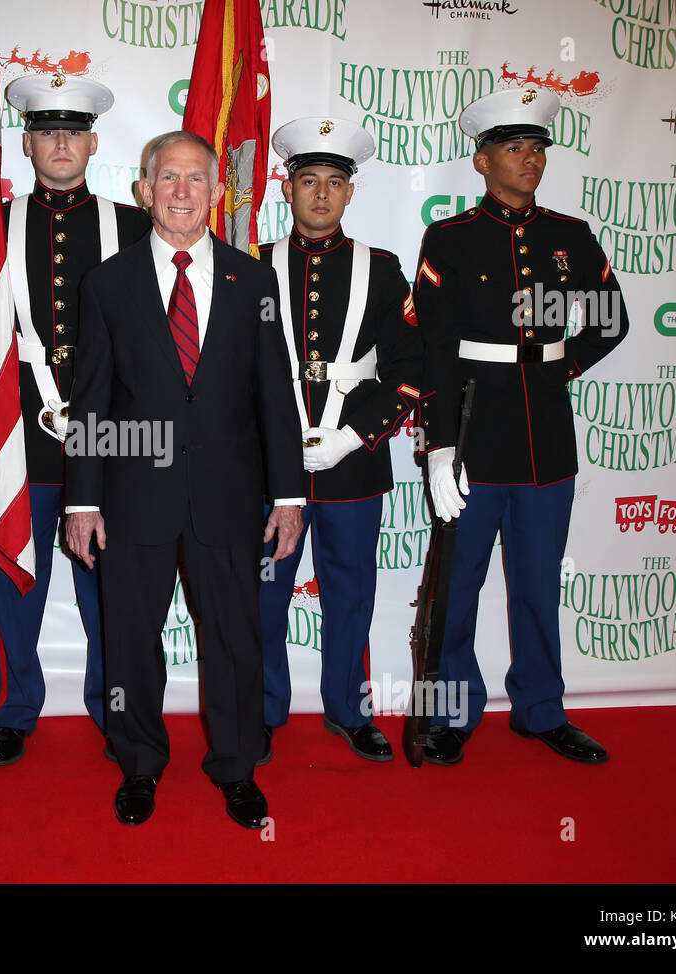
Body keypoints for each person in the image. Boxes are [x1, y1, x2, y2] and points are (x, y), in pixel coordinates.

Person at [64, 131, 305, 829]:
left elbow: (276, 394)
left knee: (234, 636)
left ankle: (236, 766)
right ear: (143, 190)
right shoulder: (106, 284)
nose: (179, 191)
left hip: (229, 494)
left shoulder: (252, 279)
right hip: (133, 495)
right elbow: (92, 400)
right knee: (130, 637)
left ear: (215, 193)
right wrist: (81, 499)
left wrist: (288, 495)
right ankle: (139, 762)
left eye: (195, 178)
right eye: (166, 177)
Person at [413, 88, 628, 765]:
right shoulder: (450, 239)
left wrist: (559, 370)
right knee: (459, 584)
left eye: (537, 149)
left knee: (537, 581)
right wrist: (440, 444)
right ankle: (452, 713)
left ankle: (540, 710)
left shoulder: (570, 235)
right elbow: (432, 350)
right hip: (475, 433)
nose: (530, 159)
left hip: (546, 438)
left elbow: (610, 320)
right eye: (514, 148)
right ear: (482, 161)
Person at [0, 74, 150, 767]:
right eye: (47, 130)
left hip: (108, 439)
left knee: (109, 589)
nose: (59, 142)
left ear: (93, 142)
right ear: (27, 141)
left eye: (72, 131)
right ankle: (16, 711)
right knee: (16, 582)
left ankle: (112, 711)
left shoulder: (134, 226)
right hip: (17, 435)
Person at [257, 117, 423, 764]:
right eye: (307, 181)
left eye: (333, 183)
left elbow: (411, 369)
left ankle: (350, 712)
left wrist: (353, 438)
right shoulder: (250, 269)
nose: (320, 195)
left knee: (351, 592)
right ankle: (265, 709)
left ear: (350, 193)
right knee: (265, 592)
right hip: (273, 472)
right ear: (287, 188)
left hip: (354, 466)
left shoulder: (382, 271)